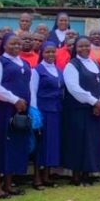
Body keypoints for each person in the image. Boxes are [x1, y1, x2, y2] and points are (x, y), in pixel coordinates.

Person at [0, 33, 33, 198]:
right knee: (1, 145)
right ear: (4, 45)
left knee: (16, 145)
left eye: (18, 43)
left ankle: (9, 184)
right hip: (5, 109)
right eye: (12, 43)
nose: (16, 46)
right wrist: (14, 99)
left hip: (22, 110)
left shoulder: (25, 63)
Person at [62, 35, 100, 185]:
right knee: (78, 142)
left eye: (87, 46)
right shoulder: (72, 65)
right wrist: (95, 102)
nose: (84, 48)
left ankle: (87, 174)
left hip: (95, 111)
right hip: (78, 110)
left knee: (92, 142)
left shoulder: (97, 64)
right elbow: (74, 89)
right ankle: (76, 176)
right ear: (75, 48)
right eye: (80, 46)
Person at [31, 42, 64, 187]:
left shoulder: (58, 70)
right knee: (41, 143)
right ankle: (37, 177)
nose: (51, 54)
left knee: (52, 143)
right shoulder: (37, 70)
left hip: (56, 111)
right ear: (42, 53)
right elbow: (32, 91)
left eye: (53, 52)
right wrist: (35, 112)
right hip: (43, 110)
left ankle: (47, 176)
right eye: (47, 52)